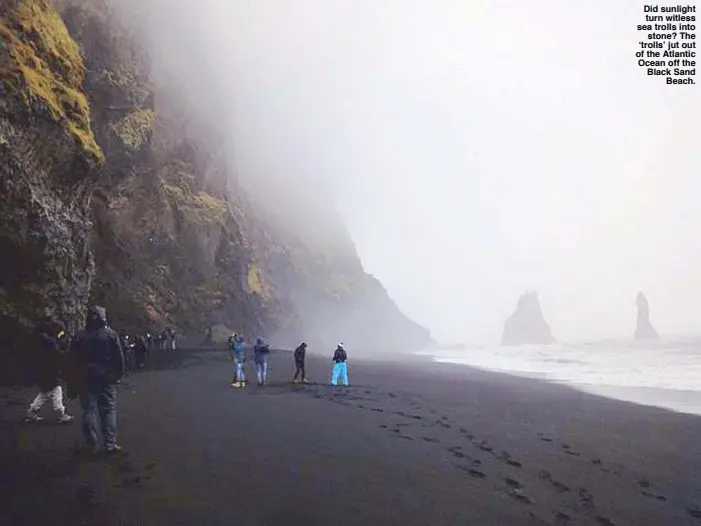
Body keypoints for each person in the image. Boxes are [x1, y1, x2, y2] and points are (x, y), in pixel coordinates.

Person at [70, 306, 125, 454]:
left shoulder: (79, 336)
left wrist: (72, 383)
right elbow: (119, 358)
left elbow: (72, 361)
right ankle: (110, 443)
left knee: (89, 410)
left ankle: (91, 443)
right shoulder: (110, 335)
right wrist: (117, 376)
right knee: (108, 410)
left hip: (85, 378)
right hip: (107, 378)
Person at [25, 318, 75, 424]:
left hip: (42, 371)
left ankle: (32, 411)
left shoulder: (42, 339)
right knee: (56, 390)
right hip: (49, 371)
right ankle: (60, 413)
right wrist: (66, 351)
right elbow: (57, 355)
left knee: (45, 392)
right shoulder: (50, 342)